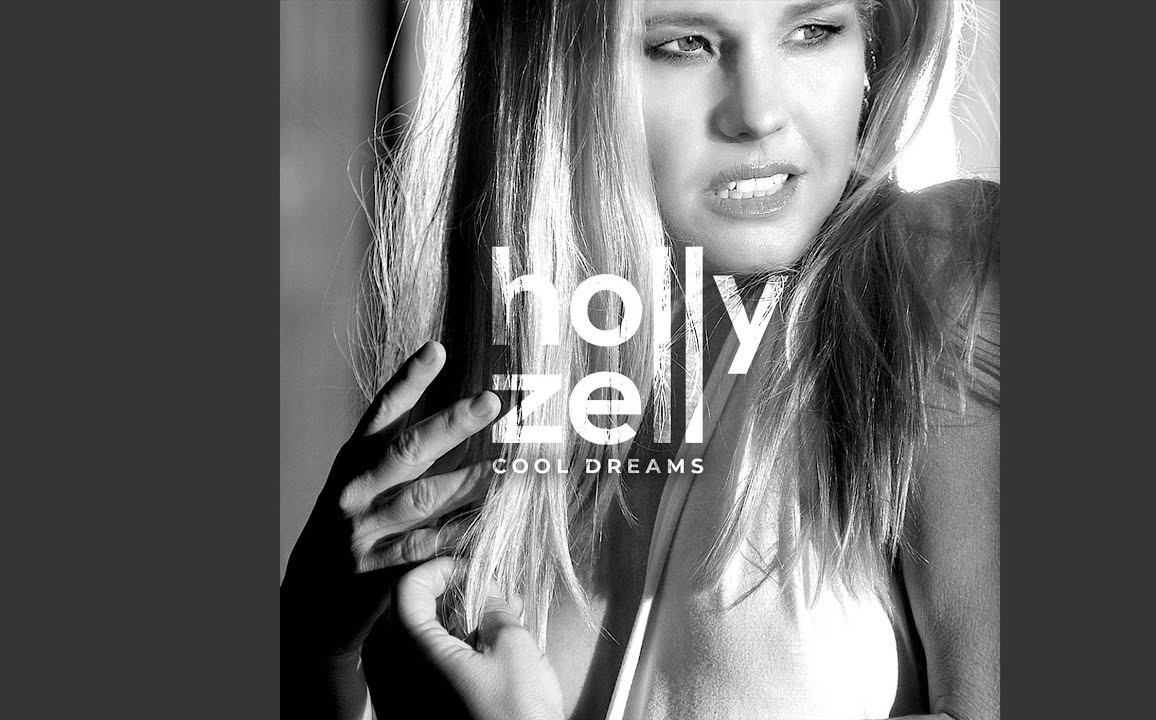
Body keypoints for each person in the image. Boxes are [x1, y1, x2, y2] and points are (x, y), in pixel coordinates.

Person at [281, 0, 1000, 718]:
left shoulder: (941, 275)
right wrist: (315, 652)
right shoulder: (498, 407)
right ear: (556, 76)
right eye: (684, 44)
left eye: (813, 31)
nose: (759, 114)